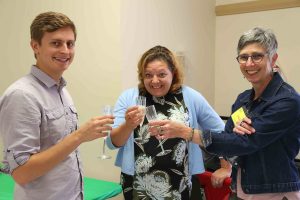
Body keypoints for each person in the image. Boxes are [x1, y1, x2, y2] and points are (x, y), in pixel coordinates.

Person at [149, 27, 300, 199]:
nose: (249, 64)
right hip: (242, 188)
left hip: (275, 191)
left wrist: (186, 132)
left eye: (257, 56)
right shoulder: (243, 100)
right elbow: (228, 140)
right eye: (243, 57)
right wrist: (230, 153)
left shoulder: (288, 101)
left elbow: (243, 143)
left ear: (273, 59)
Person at [0, 12, 114, 200]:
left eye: (70, 44)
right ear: (35, 46)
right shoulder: (22, 95)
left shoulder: (61, 91)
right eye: (56, 43)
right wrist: (79, 136)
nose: (65, 51)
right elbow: (21, 173)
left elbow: (61, 151)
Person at [106, 45, 231, 199]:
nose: (155, 81)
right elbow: (112, 143)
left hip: (183, 183)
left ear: (174, 73)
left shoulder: (191, 97)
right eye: (148, 75)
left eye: (162, 74)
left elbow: (223, 134)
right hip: (139, 185)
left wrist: (226, 166)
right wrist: (128, 125)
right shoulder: (129, 98)